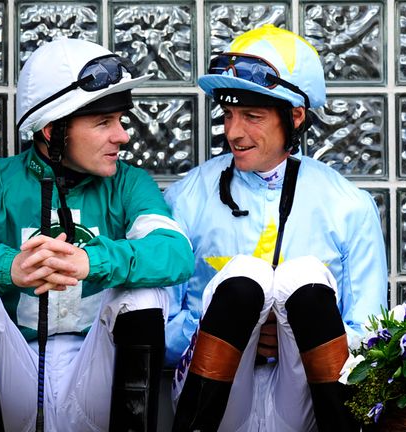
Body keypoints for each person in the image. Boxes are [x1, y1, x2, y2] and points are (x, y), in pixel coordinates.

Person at [0, 38, 194, 432]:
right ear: (53, 129)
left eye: (120, 121)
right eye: (104, 123)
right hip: (15, 374)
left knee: (145, 292)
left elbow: (176, 253)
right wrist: (9, 267)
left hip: (95, 374)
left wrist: (93, 261)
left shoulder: (130, 183)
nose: (123, 136)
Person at [164, 24, 387, 432]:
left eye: (252, 116)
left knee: (302, 278)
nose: (234, 132)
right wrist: (234, 333)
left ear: (295, 116)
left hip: (305, 402)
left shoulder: (350, 206)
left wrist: (292, 337)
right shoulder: (185, 198)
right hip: (215, 396)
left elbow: (372, 339)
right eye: (229, 115)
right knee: (245, 279)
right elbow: (159, 334)